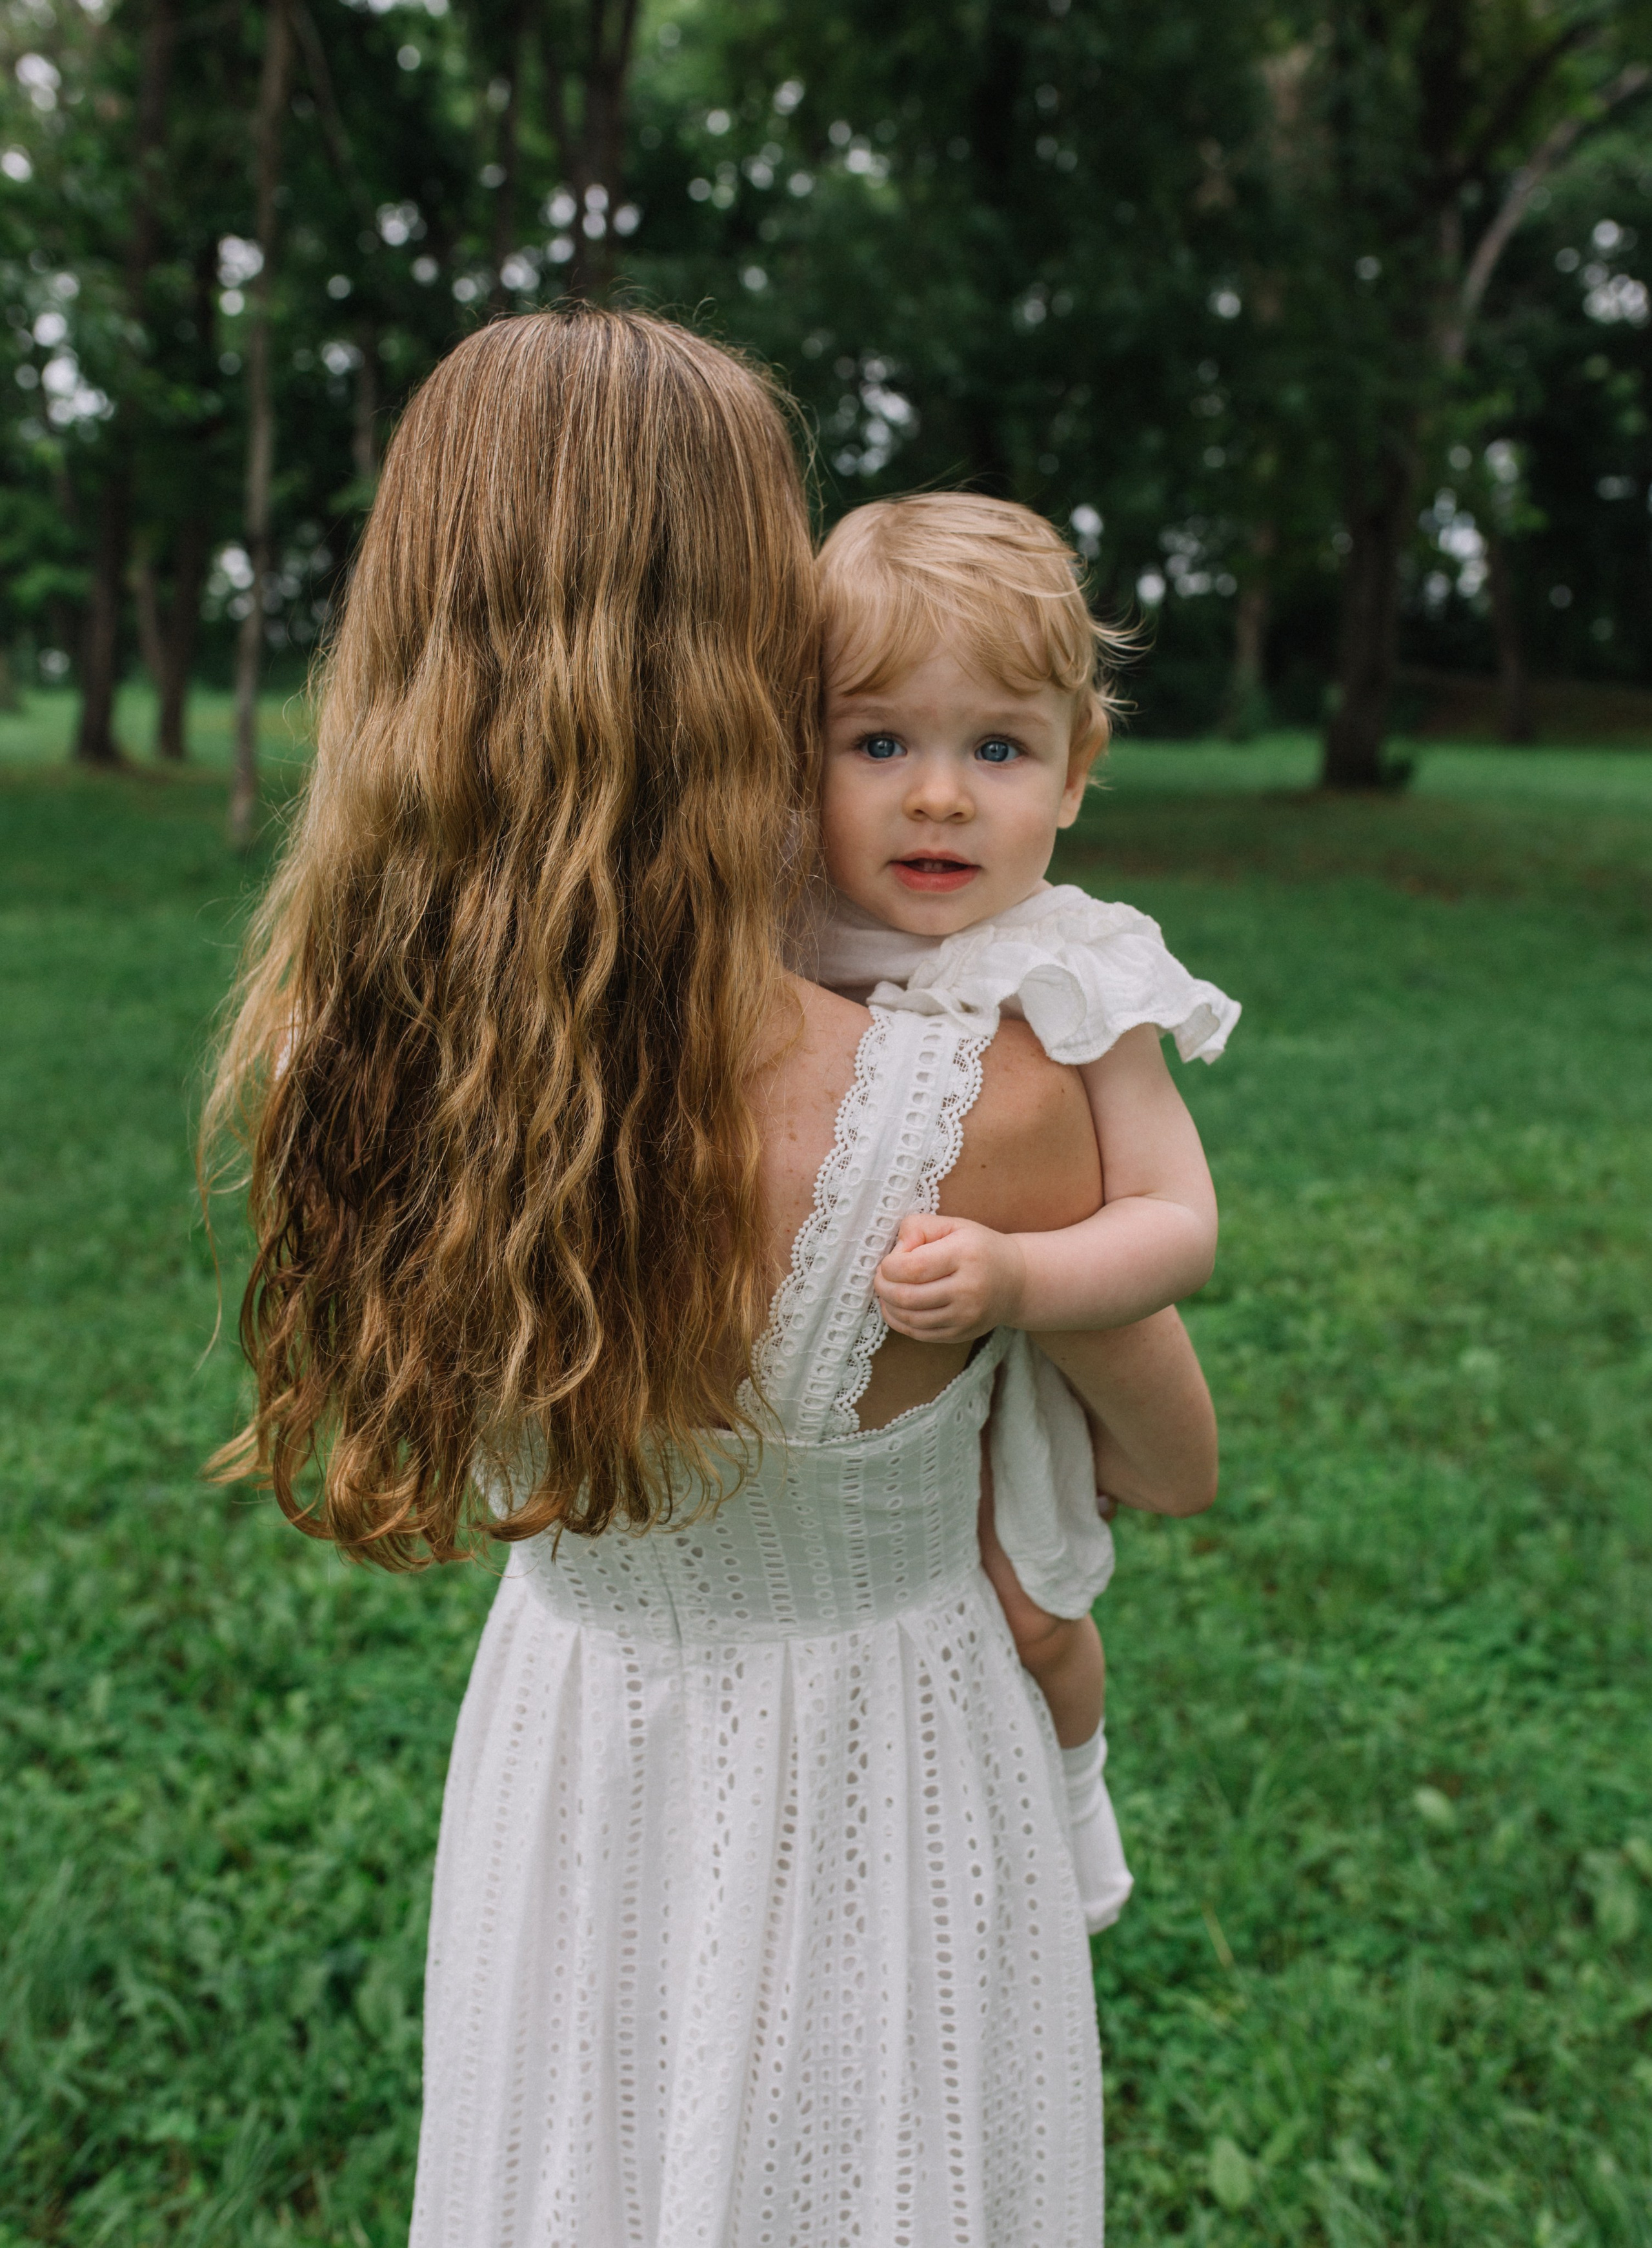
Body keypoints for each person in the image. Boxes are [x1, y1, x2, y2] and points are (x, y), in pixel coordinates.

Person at [204, 309, 1218, 2246]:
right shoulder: (979, 1100)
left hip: (575, 1759)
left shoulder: (349, 1068)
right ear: (753, 651)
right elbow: (1171, 1462)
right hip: (887, 1788)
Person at [805, 492, 1240, 1933]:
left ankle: (1071, 1809)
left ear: (1072, 775)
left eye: (997, 749)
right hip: (835, 1419)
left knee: (1030, 1611)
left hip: (1020, 1361)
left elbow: (1176, 1219)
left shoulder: (1072, 969)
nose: (938, 796)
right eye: (879, 743)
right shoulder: (776, 938)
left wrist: (1017, 1275)